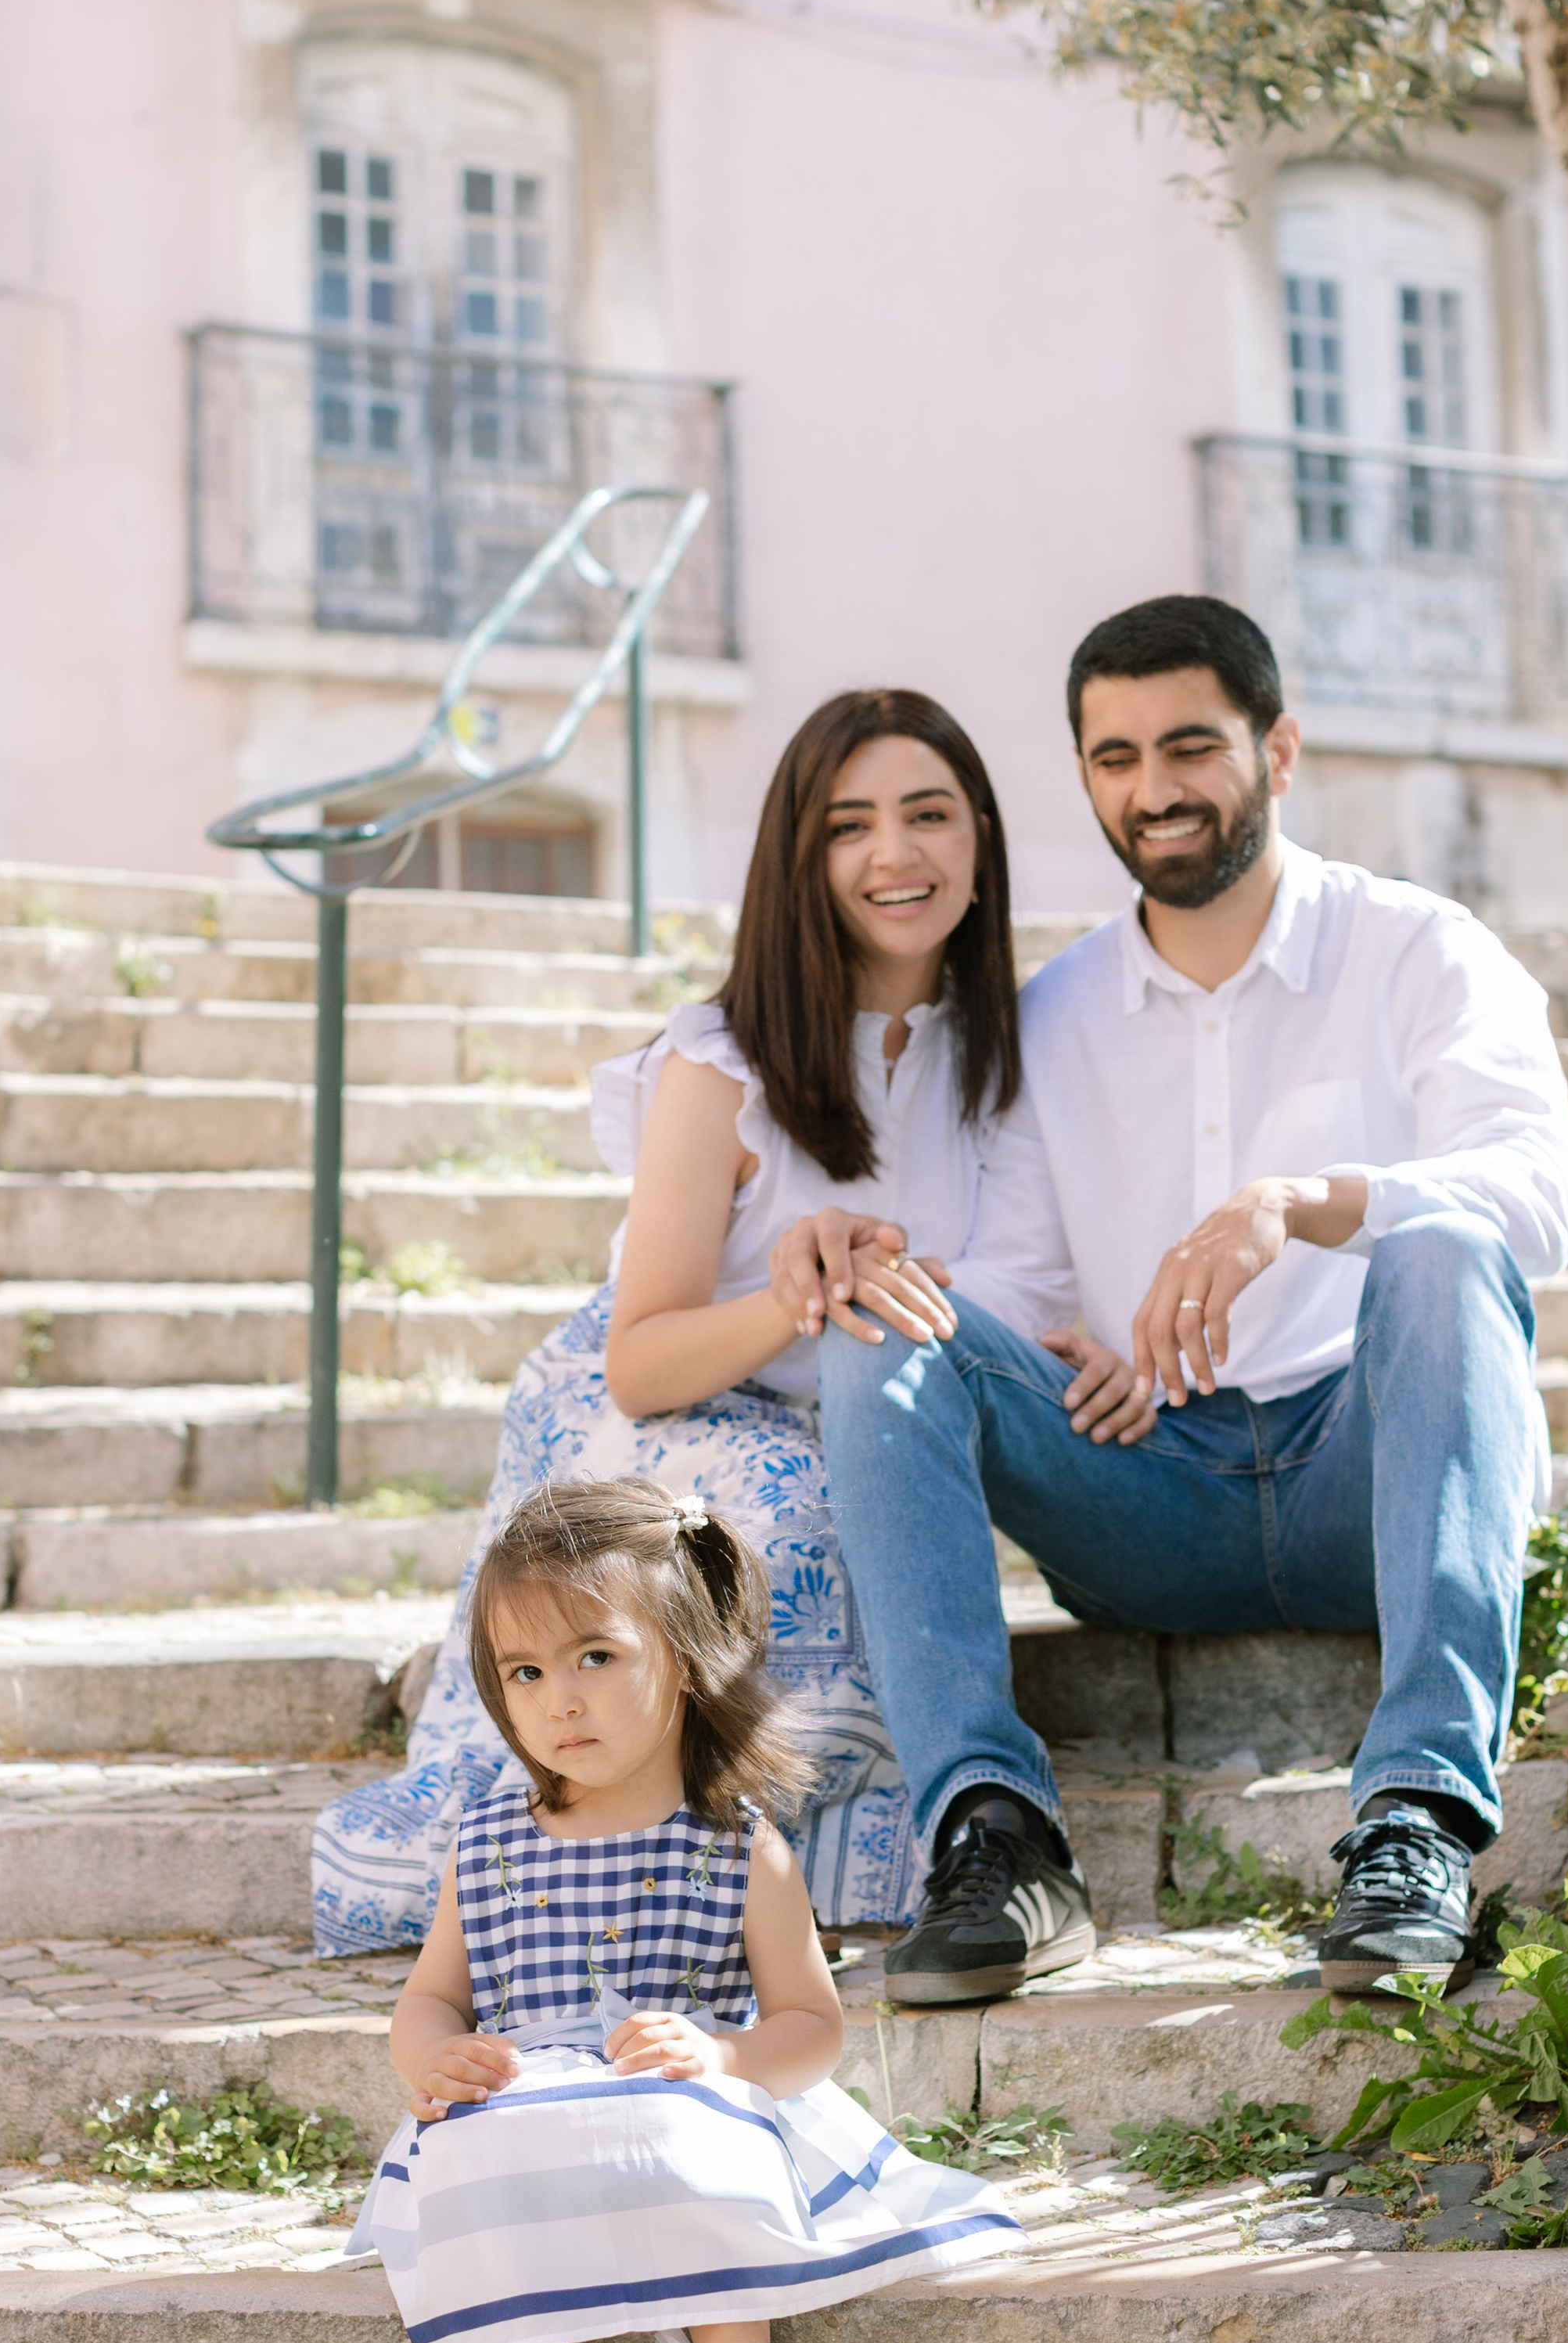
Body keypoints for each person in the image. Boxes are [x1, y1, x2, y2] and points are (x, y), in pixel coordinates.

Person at [777, 594, 1568, 2008]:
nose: (1152, 792)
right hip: (1150, 1483)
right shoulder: (1049, 1017)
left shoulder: (1420, 949)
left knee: (1446, 1244)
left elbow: (1539, 1199)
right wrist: (1024, 1332)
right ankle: (996, 1833)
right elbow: (1018, 1279)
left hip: (1370, 1473)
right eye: (1114, 758)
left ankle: (1417, 1823)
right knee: (886, 1322)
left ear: (1277, 750)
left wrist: (1296, 1201)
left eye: (1189, 747)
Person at [311, 689, 1141, 1956]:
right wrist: (795, 1293)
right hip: (667, 1404)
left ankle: (860, 1838)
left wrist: (887, 1290)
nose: (893, 855)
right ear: (800, 863)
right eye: (848, 826)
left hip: (866, 1394)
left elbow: (1025, 1295)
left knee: (865, 1463)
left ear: (980, 836)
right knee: (802, 1503)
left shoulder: (1006, 1058)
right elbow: (640, 1360)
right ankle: (665, 1845)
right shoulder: (721, 1062)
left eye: (928, 815)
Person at [354, 1478, 1020, 2343]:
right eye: (525, 1673)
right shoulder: (488, 1848)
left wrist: (723, 2056)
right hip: (526, 2104)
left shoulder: (735, 1847)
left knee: (706, 2135)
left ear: (683, 1656)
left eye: (594, 1658)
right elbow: (432, 1994)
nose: (559, 1700)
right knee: (470, 2144)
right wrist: (434, 2054)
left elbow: (811, 2025)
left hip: (675, 2092)